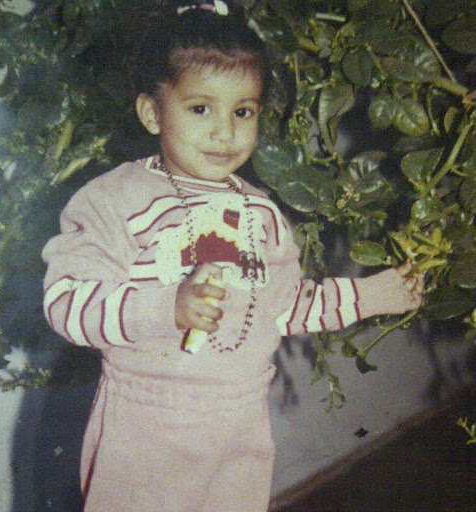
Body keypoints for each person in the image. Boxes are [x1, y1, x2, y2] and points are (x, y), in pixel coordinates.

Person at [41, 1, 424, 510]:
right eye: (201, 109)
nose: (225, 132)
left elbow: (285, 306)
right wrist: (167, 307)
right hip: (147, 429)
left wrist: (374, 295)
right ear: (152, 113)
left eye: (242, 111)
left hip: (239, 424)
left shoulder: (261, 213)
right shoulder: (113, 200)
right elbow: (66, 304)